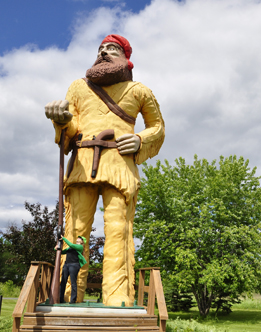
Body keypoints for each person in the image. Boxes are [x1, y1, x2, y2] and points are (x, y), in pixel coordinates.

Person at [44, 34, 165, 306]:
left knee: (119, 230)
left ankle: (118, 297)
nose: (104, 52)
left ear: (125, 58)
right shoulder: (78, 87)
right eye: (101, 49)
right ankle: (67, 296)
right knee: (75, 231)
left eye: (112, 49)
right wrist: (62, 121)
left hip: (120, 167)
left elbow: (157, 127)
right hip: (83, 165)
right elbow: (70, 131)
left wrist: (140, 140)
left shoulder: (139, 91)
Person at [55, 236, 87, 303]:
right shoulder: (71, 247)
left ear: (82, 242)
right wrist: (56, 249)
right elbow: (63, 252)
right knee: (63, 281)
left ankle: (73, 300)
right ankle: (61, 299)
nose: (78, 239)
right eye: (77, 239)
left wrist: (63, 238)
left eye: (80, 239)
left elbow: (71, 245)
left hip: (74, 265)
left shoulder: (80, 247)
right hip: (66, 265)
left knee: (73, 282)